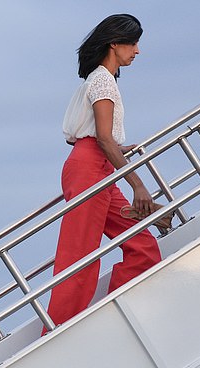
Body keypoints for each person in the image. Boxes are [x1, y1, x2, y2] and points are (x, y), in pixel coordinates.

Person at [44, 14, 162, 333]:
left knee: (142, 246)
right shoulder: (101, 80)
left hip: (99, 166)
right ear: (115, 43)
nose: (137, 51)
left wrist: (119, 151)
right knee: (80, 257)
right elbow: (103, 139)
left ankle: (107, 318)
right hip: (88, 167)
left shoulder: (103, 79)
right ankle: (56, 334)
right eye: (133, 43)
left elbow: (103, 140)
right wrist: (138, 185)